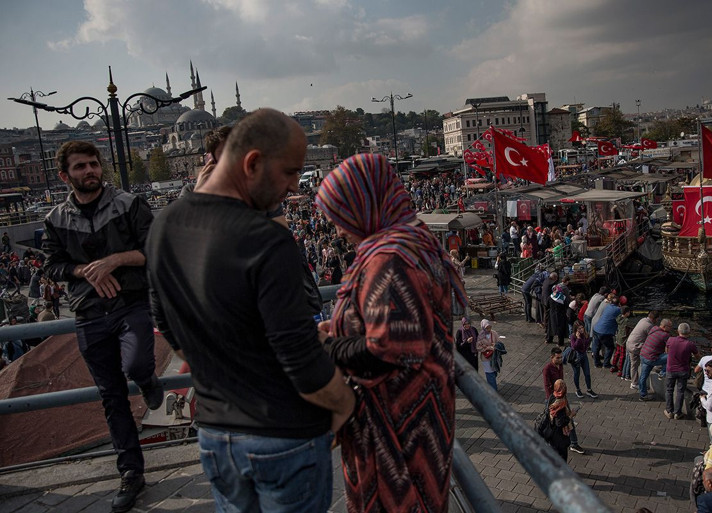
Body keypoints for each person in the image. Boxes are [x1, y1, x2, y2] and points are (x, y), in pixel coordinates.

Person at [147, 109, 355, 512]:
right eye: (290, 172)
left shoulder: (164, 225)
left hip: (215, 433)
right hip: (282, 435)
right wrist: (344, 402)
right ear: (252, 163)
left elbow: (167, 325)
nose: (294, 186)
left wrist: (225, 369)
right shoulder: (265, 239)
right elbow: (298, 357)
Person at [315, 152, 466, 513]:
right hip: (419, 420)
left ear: (364, 205)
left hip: (395, 434)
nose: (338, 231)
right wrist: (345, 327)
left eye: (341, 218)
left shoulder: (390, 258)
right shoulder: (414, 238)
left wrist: (329, 345)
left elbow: (388, 351)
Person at [43, 140, 163, 513]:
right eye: (80, 166)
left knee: (137, 363)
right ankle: (131, 473)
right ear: (65, 176)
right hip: (89, 313)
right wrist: (86, 271)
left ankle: (146, 379)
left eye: (93, 164)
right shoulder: (55, 220)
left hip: (130, 303)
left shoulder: (129, 204)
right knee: (112, 397)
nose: (90, 171)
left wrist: (115, 260)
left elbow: (155, 249)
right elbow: (52, 265)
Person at [664, 323, 700, 420]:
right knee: (680, 391)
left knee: (669, 390)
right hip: (683, 370)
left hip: (671, 369)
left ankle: (669, 411)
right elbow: (698, 356)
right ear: (689, 332)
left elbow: (667, 351)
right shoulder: (690, 344)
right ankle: (677, 412)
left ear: (678, 331)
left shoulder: (670, 340)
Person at [638, 319, 673, 400]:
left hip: (643, 355)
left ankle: (643, 395)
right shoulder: (665, 335)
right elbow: (670, 347)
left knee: (643, 376)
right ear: (664, 326)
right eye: (670, 327)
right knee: (670, 356)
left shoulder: (653, 329)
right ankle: (662, 373)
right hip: (651, 358)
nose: (671, 328)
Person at [545, 379, 575, 461]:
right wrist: (571, 415)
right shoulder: (560, 404)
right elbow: (560, 423)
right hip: (559, 435)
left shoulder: (552, 396)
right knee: (562, 456)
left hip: (551, 432)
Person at [568, 321, 597, 399]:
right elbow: (574, 347)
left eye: (582, 328)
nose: (581, 330)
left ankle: (589, 389)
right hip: (576, 357)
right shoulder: (573, 336)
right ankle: (578, 389)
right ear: (576, 329)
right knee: (576, 374)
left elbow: (586, 344)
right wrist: (578, 339)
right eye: (579, 328)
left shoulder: (585, 334)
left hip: (583, 355)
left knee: (587, 373)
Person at [591, 295, 619, 368]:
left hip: (597, 328)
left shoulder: (608, 306)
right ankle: (606, 364)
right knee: (610, 347)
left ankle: (596, 363)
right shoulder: (617, 310)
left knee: (596, 347)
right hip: (605, 332)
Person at [546, 276, 571, 346]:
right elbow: (567, 305)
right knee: (560, 328)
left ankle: (549, 339)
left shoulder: (551, 296)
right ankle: (560, 342)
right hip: (561, 315)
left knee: (551, 327)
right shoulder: (563, 298)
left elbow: (547, 305)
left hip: (552, 314)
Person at [477, 319, 500, 391]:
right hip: (486, 358)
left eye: (490, 327)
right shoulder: (480, 336)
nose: (489, 329)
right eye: (487, 328)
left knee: (494, 372)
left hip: (494, 356)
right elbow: (478, 347)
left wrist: (495, 345)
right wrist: (488, 348)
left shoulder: (494, 333)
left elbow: (499, 343)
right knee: (490, 374)